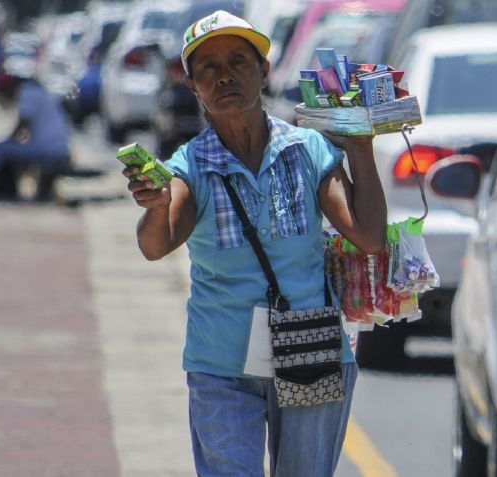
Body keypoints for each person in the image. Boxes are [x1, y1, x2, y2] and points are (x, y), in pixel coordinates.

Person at [122, 10, 386, 477]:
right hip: (221, 365)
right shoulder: (190, 166)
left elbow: (366, 236)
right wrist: (157, 204)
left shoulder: (307, 150)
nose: (225, 75)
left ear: (264, 73)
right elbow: (155, 245)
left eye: (239, 62)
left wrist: (359, 148)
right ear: (191, 86)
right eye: (208, 67)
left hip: (310, 348)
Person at [0, 53, 70, 200]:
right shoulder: (37, 92)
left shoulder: (28, 93)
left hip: (49, 149)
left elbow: (22, 125)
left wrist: (4, 142)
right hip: (54, 146)